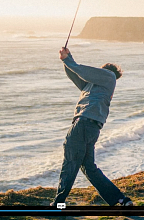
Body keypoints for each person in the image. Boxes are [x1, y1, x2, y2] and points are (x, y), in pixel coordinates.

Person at [51, 47, 133, 207]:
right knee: (89, 168)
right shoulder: (93, 86)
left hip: (83, 123)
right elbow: (76, 74)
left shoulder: (109, 76)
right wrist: (66, 59)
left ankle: (57, 205)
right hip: (91, 127)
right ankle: (121, 200)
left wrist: (68, 59)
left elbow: (84, 71)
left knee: (70, 162)